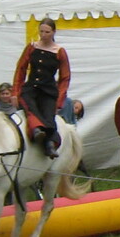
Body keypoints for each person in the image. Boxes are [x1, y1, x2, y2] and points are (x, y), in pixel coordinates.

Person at [11, 18, 71, 155]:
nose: (43, 35)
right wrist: (15, 92)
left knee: (49, 115)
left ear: (53, 32)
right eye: (41, 31)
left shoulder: (59, 51)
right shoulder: (32, 47)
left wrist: (59, 100)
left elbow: (65, 77)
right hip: (30, 89)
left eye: (47, 32)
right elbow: (20, 70)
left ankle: (50, 143)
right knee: (30, 108)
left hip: (48, 91)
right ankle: (36, 130)